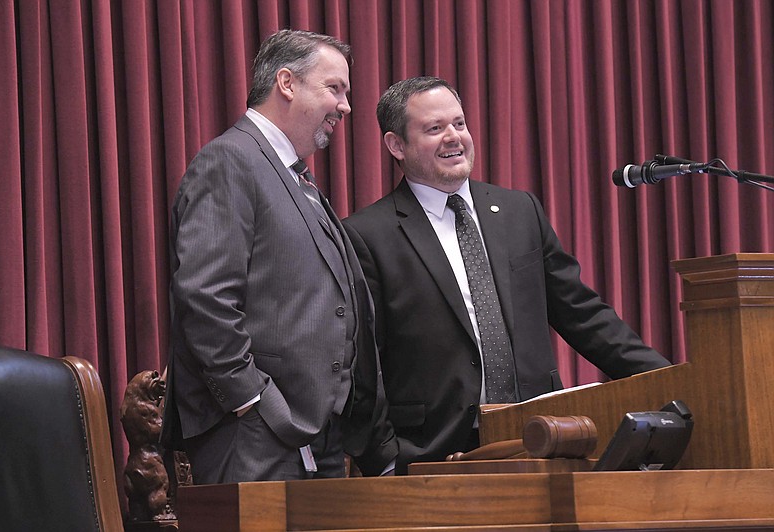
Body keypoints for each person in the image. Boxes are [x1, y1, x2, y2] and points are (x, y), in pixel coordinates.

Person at [342, 76, 671, 474]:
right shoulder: (366, 234)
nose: (454, 138)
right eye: (435, 128)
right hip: (433, 453)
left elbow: (583, 314)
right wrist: (384, 460)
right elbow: (362, 363)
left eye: (459, 124)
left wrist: (669, 381)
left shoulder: (519, 211)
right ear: (396, 145)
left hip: (540, 439)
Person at [161, 29, 395, 483]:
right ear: (287, 83)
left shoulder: (294, 175)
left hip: (316, 437)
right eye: (335, 89)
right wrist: (254, 402)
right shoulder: (230, 161)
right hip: (253, 437)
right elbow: (205, 298)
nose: (346, 107)